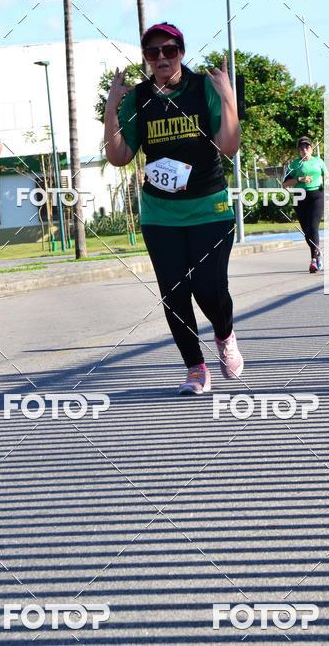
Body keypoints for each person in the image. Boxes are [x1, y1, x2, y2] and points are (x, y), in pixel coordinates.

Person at [104, 22, 243, 395]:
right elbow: (119, 157)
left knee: (209, 289)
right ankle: (195, 368)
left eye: (169, 50)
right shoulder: (138, 99)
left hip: (209, 208)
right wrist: (112, 109)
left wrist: (228, 98)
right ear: (146, 58)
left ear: (181, 51)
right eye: (153, 53)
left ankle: (224, 333)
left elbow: (228, 147)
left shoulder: (204, 89)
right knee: (174, 291)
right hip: (160, 213)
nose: (161, 58)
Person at [283, 136, 326, 273]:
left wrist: (328, 187)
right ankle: (318, 251)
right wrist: (300, 179)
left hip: (317, 196)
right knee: (307, 231)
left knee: (313, 227)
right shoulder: (294, 165)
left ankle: (314, 260)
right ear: (298, 151)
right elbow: (284, 184)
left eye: (307, 147)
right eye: (301, 148)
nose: (304, 150)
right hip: (300, 198)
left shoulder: (319, 162)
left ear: (311, 149)